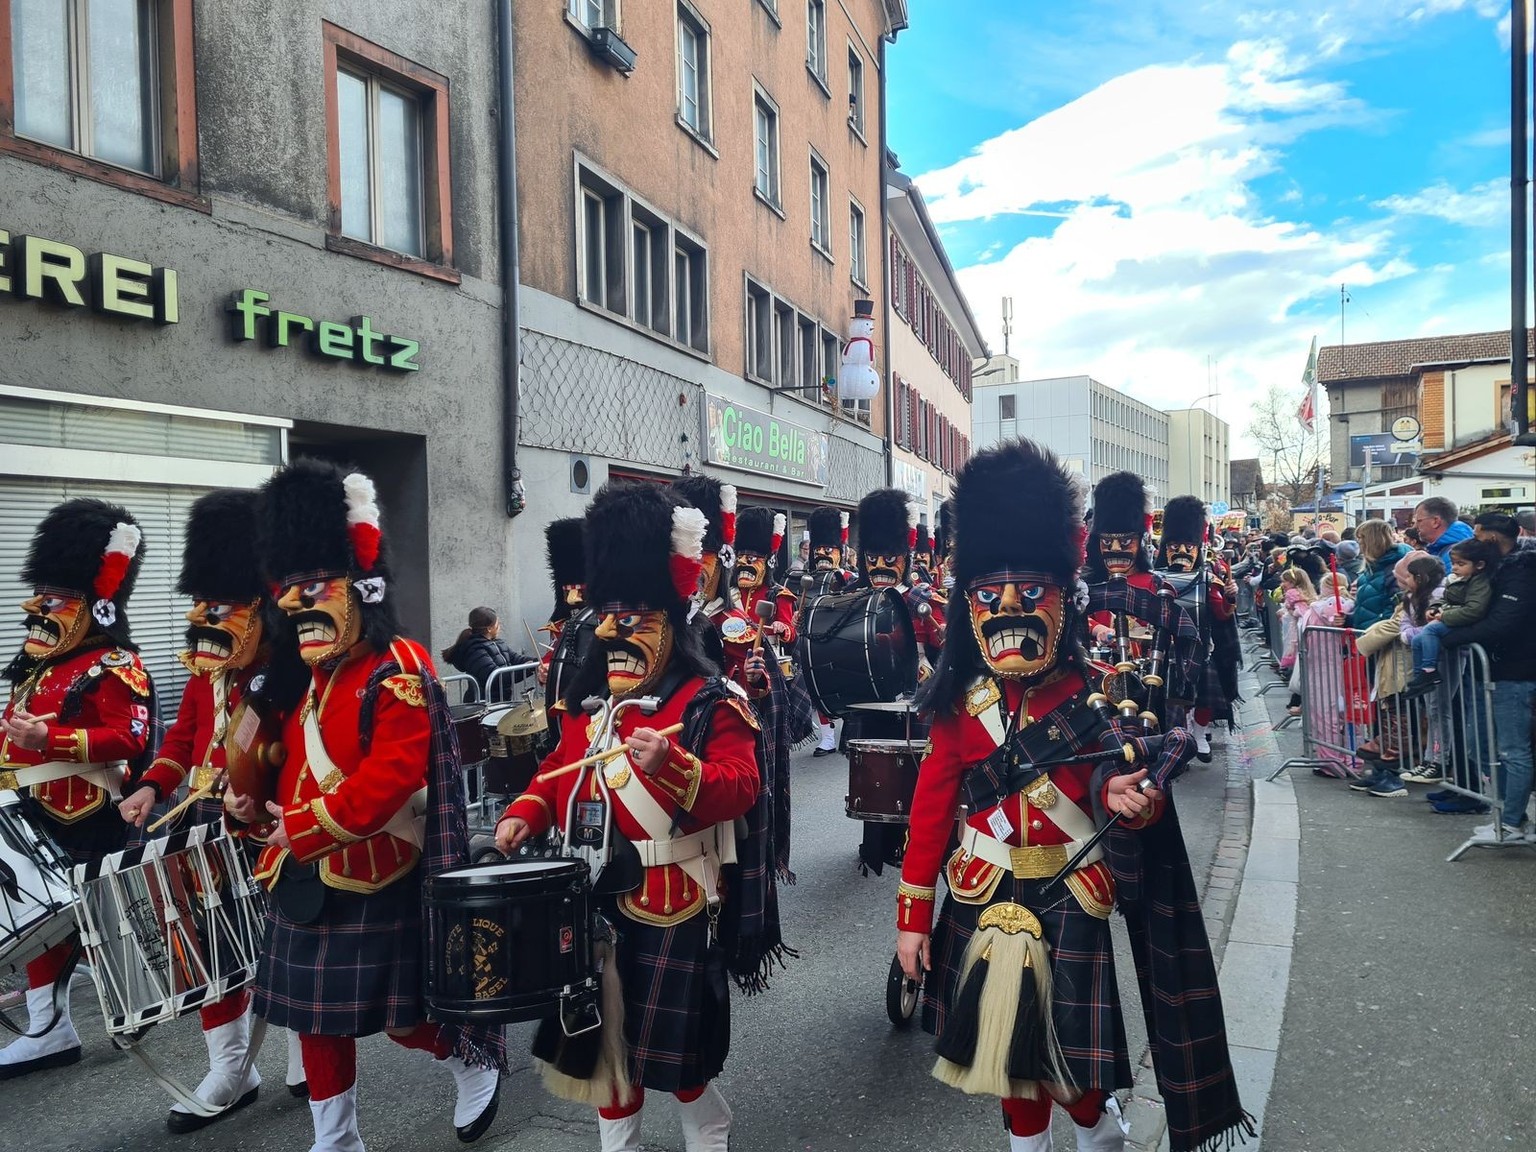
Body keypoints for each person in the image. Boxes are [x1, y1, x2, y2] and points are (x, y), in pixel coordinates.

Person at [895, 439, 1247, 1152]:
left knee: (1074, 1066)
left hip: (1068, 891)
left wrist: (1133, 800)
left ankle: (1096, 1134)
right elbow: (931, 808)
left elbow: (1121, 787)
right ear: (968, 603)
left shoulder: (1099, 692)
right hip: (982, 889)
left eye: (1030, 591)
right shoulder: (959, 702)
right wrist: (911, 914)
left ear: (1061, 594)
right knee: (1009, 1064)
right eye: (988, 595)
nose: (1008, 607)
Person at [227, 459, 504, 1150]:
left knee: (402, 1018)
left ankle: (470, 1058)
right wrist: (245, 805)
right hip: (302, 870)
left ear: (359, 587)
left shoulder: (397, 666)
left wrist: (299, 827)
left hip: (379, 867)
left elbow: (392, 775)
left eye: (311, 588)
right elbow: (283, 768)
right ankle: (336, 1139)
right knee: (312, 1020)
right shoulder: (307, 678)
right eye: (287, 591)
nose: (294, 605)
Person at [494, 480, 761, 1152]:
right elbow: (559, 773)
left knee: (679, 1054)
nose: (616, 631)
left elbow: (742, 788)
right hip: (595, 900)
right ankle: (621, 1143)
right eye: (610, 616)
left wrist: (672, 766)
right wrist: (527, 810)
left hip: (675, 900)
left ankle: (708, 1126)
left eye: (637, 617)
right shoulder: (590, 710)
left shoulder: (710, 702)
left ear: (672, 624)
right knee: (603, 1041)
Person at [117, 489, 306, 1125]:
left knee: (285, 942)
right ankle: (232, 1065)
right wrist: (150, 783)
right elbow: (180, 740)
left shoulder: (289, 667)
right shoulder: (206, 668)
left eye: (220, 606)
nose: (205, 617)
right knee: (207, 944)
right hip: (203, 823)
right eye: (203, 605)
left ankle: (302, 1050)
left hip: (270, 825)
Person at [0, 499, 150, 1079]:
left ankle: (137, 1006)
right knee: (40, 930)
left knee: (108, 924)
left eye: (52, 598)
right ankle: (48, 1029)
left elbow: (128, 738)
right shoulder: (37, 665)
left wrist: (51, 739)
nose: (34, 608)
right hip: (34, 814)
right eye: (40, 596)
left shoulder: (115, 664)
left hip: (88, 814)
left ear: (93, 605)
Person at [1440, 511, 1536, 841]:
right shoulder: (1498, 570)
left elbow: (1504, 622)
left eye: (1477, 535)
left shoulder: (1521, 571)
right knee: (1479, 745)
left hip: (1516, 671)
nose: (1472, 542)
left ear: (1492, 539)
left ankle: (1511, 822)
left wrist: (1452, 637)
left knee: (1512, 749)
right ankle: (1512, 816)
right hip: (1494, 668)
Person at [1156, 496, 1239, 760]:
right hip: (1166, 647)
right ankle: (1179, 737)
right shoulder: (1155, 578)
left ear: (1198, 547)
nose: (1181, 551)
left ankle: (1200, 734)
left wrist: (1229, 597)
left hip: (1200, 646)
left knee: (1203, 697)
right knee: (1171, 700)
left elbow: (1221, 613)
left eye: (1188, 545)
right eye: (1174, 545)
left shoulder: (1208, 577)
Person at [1403, 538, 1498, 698]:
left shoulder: (1480, 582)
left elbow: (1474, 609)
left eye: (1460, 564)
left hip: (1463, 620)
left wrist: (1444, 615)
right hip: (1452, 615)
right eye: (1453, 563)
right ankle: (1421, 676)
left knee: (1431, 629)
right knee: (1418, 640)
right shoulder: (1458, 579)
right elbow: (1446, 599)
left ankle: (1429, 671)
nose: (1454, 568)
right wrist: (1434, 608)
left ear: (1479, 565)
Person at [802, 506, 854, 755]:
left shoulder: (851, 579)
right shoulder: (804, 579)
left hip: (843, 641)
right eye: (818, 549)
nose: (822, 554)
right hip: (815, 644)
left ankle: (851, 730)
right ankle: (827, 737)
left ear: (840, 552)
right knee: (818, 690)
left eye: (828, 549)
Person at [441, 607, 533, 703]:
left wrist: (539, 662)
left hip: (501, 701)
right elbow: (497, 677)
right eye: (498, 624)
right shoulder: (474, 650)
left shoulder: (499, 643)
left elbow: (516, 659)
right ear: (489, 628)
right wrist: (529, 669)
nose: (500, 626)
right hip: (484, 705)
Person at [1348, 520, 1409, 632]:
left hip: (1381, 640)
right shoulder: (1371, 569)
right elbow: (1365, 607)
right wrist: (1347, 618)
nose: (1359, 543)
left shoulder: (1395, 570)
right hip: (1368, 635)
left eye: (1361, 539)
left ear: (1371, 541)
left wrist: (1378, 636)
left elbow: (1395, 609)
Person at [1412, 496, 1473, 574]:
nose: (1414, 526)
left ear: (1435, 521)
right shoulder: (1447, 548)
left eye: (1419, 521)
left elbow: (1448, 586)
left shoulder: (1454, 555)